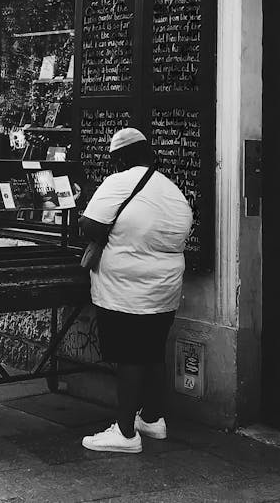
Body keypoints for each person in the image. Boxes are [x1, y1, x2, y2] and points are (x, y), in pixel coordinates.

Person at [78, 128, 192, 455]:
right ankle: (153, 419)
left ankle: (126, 432)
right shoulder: (171, 189)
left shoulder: (119, 182)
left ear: (122, 158)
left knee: (128, 355)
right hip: (165, 288)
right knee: (152, 352)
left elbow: (90, 225)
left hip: (125, 289)